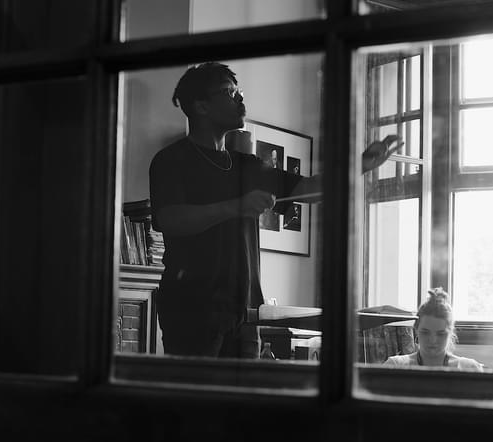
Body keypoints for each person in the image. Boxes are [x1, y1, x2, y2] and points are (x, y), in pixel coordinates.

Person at [149, 62, 400, 358]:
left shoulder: (248, 165)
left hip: (246, 310)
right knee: (196, 389)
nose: (240, 99)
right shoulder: (171, 160)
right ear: (201, 106)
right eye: (229, 92)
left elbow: (310, 189)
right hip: (191, 310)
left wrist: (362, 164)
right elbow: (171, 219)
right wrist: (236, 207)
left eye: (239, 92)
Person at [384, 288, 483, 371]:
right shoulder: (395, 366)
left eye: (441, 334)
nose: (432, 340)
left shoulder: (469, 368)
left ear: (450, 333)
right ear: (416, 330)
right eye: (425, 333)